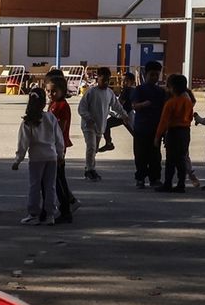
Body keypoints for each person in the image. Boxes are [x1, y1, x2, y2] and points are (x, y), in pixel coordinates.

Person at [12, 88, 64, 225]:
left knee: (35, 186)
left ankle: (34, 214)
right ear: (43, 103)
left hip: (36, 159)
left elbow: (23, 143)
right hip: (51, 157)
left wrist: (18, 160)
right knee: (50, 186)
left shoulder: (28, 122)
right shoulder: (50, 117)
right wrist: (60, 154)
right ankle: (50, 215)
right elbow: (59, 138)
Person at [77, 66, 129, 181]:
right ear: (97, 78)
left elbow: (117, 106)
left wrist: (124, 115)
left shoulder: (109, 93)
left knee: (94, 149)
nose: (105, 82)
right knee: (91, 147)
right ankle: (90, 170)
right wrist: (88, 118)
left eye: (107, 80)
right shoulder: (91, 92)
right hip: (88, 126)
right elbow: (82, 108)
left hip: (100, 126)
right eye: (103, 80)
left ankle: (89, 167)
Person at [128, 61, 167, 187]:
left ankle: (154, 178)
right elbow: (134, 105)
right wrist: (143, 105)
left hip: (156, 128)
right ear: (146, 74)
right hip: (141, 128)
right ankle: (140, 178)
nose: (155, 77)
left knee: (155, 155)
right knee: (140, 154)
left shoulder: (161, 92)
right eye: (152, 75)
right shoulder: (139, 90)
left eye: (157, 75)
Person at [154, 74, 195, 192]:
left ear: (171, 88)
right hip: (185, 131)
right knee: (181, 158)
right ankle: (181, 184)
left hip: (173, 132)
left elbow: (164, 121)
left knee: (170, 160)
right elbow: (191, 116)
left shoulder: (170, 103)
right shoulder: (188, 101)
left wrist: (157, 136)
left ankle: (168, 183)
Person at [46, 75, 77, 222]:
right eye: (48, 91)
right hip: (50, 145)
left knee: (57, 179)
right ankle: (67, 203)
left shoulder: (62, 106)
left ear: (62, 91)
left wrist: (58, 150)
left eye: (54, 91)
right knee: (58, 178)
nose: (51, 94)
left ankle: (66, 210)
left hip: (58, 146)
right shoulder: (53, 104)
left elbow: (60, 128)